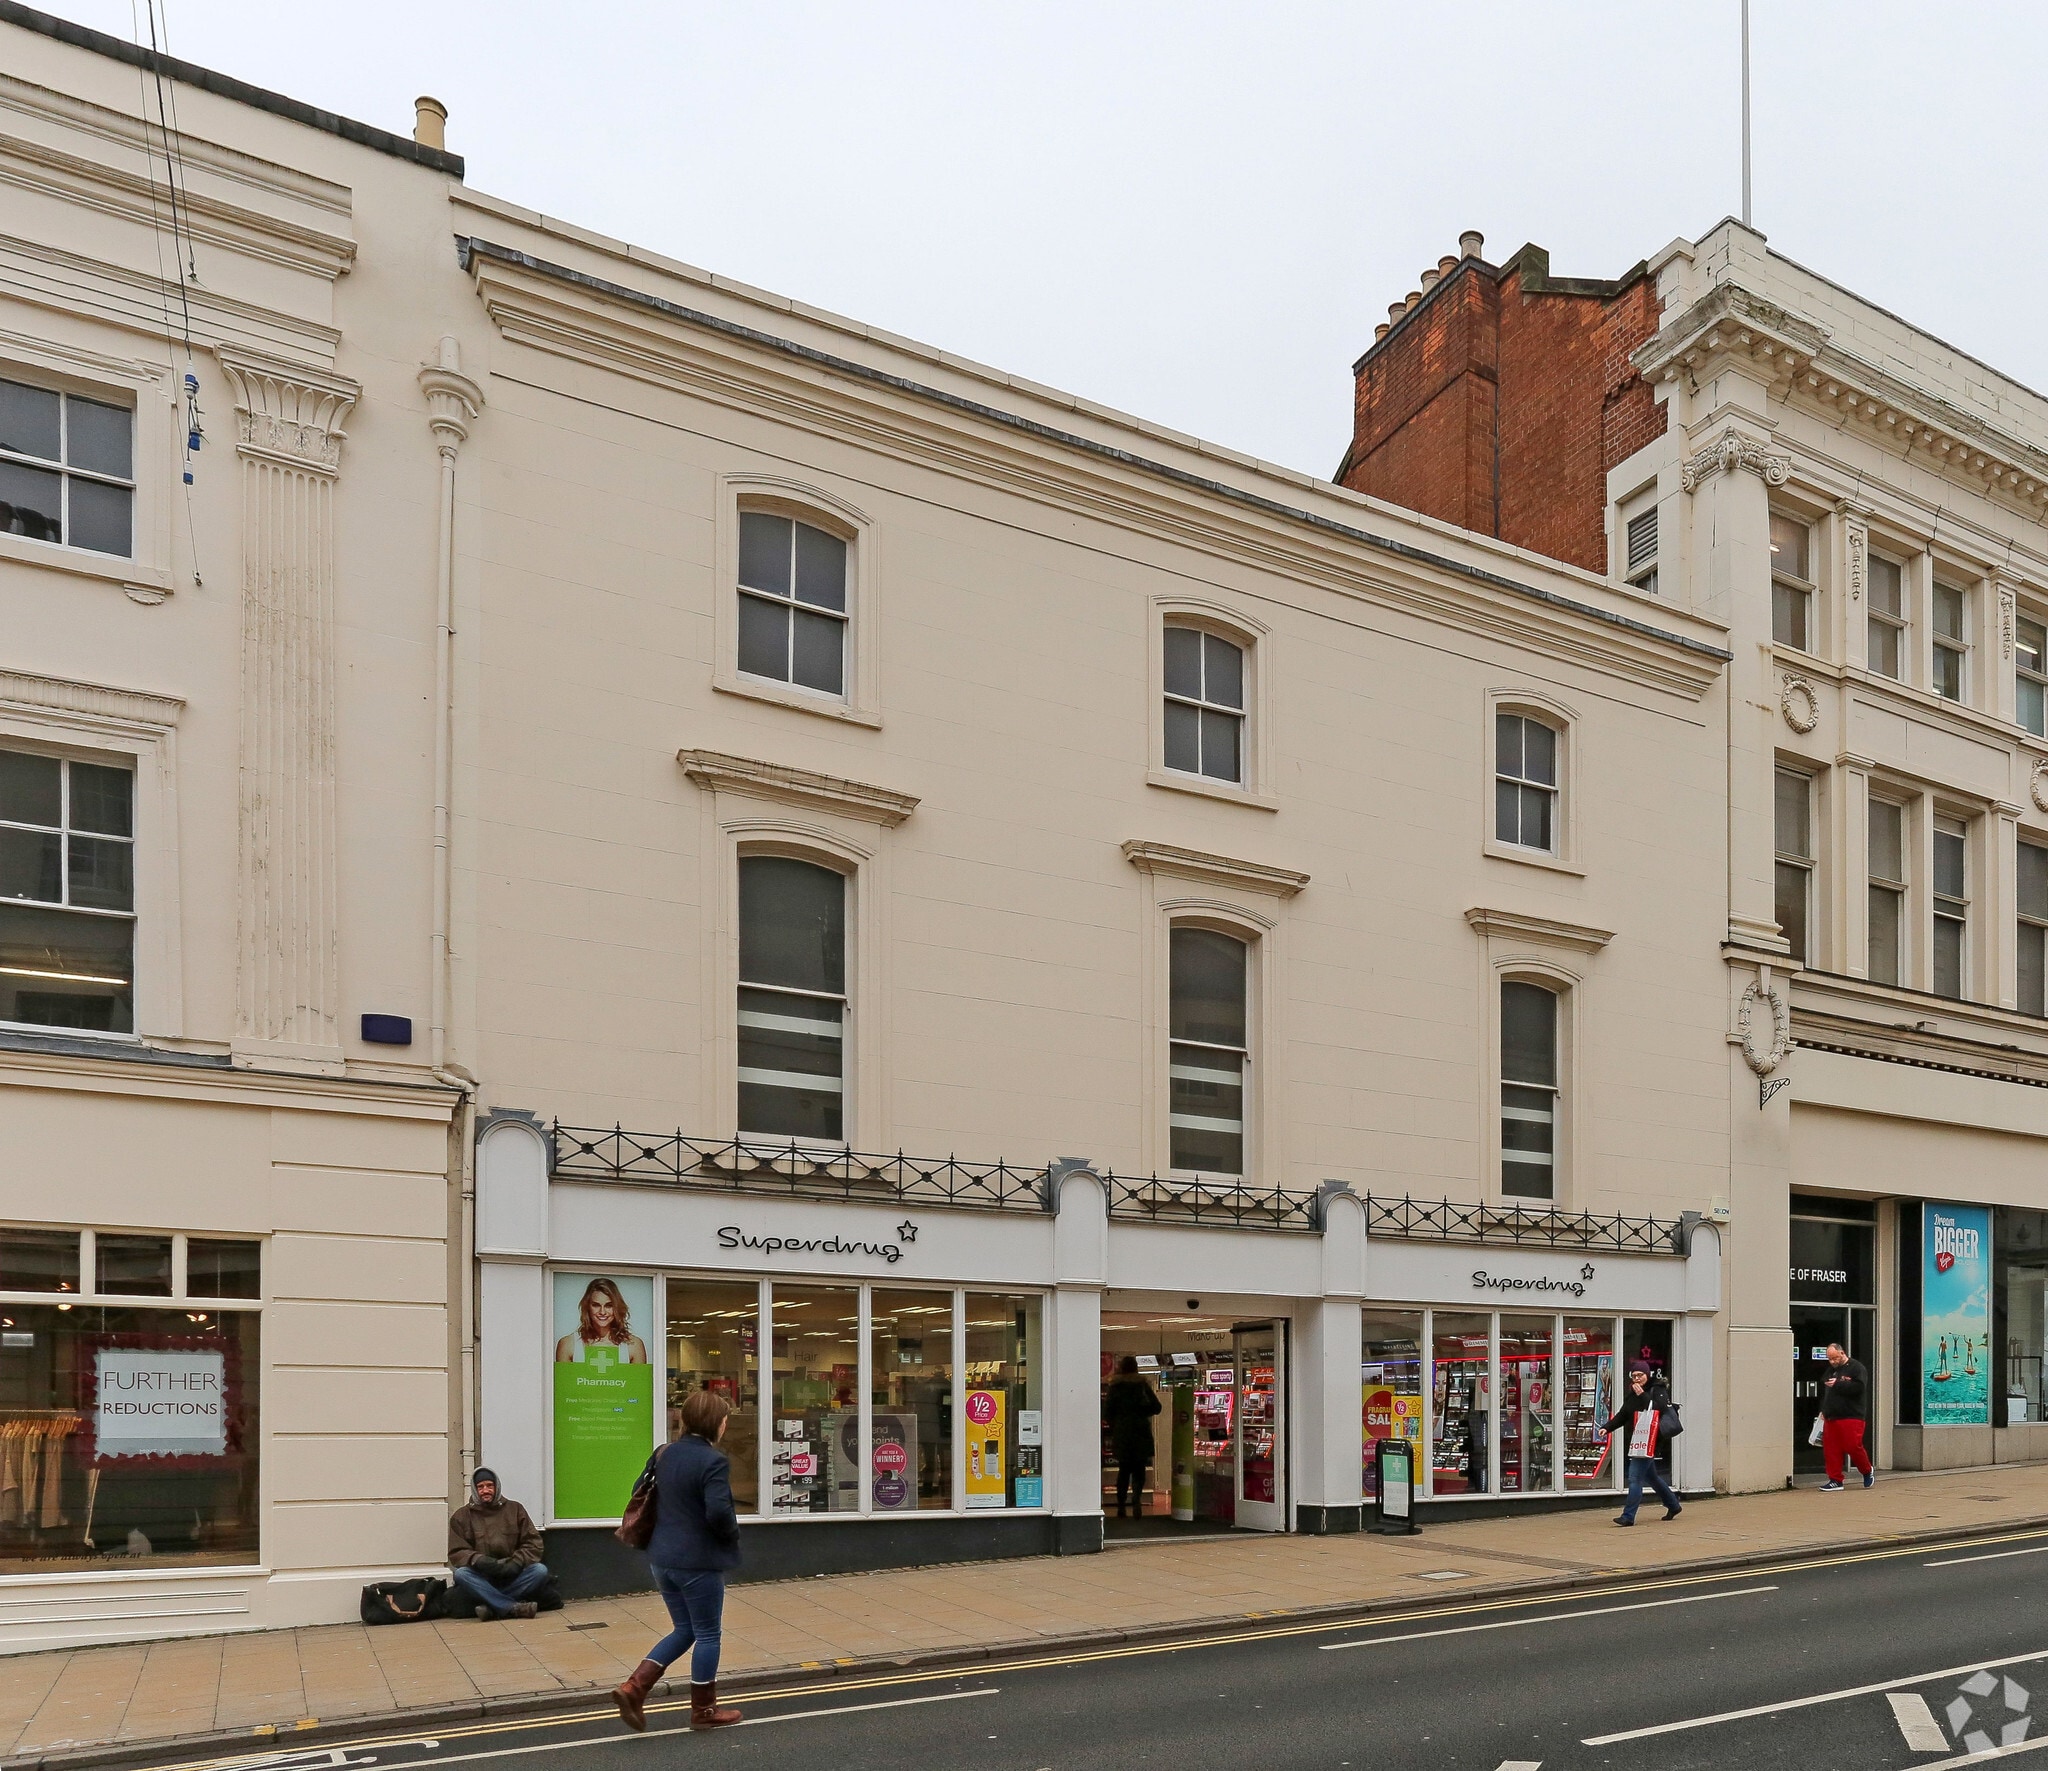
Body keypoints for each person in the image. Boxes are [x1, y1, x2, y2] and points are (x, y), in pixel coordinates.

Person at [612, 1390, 743, 1732]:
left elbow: (638, 1490)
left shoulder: (663, 1453)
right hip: (698, 1562)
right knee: (708, 1634)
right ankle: (704, 1711)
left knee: (685, 1629)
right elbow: (718, 1513)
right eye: (724, 1420)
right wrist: (730, 1535)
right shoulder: (713, 1461)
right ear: (718, 1424)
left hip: (661, 1558)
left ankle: (634, 1688)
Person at [448, 1468, 549, 1619]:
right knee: (462, 1574)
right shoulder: (461, 1517)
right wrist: (479, 1560)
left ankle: (493, 1607)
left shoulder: (515, 1509)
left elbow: (533, 1543)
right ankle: (512, 1607)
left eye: (489, 1485)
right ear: (475, 1489)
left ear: (497, 1487)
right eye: (480, 1487)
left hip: (512, 1573)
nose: (485, 1490)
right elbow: (457, 1552)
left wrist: (516, 1562)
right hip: (482, 1576)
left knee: (539, 1571)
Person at [1605, 1359, 1682, 1526]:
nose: (1637, 1379)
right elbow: (1623, 1415)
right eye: (1634, 1376)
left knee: (1634, 1478)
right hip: (1637, 1440)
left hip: (1651, 1441)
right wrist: (1607, 1428)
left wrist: (1642, 1395)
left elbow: (1657, 1409)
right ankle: (1673, 1505)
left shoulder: (1657, 1389)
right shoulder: (1632, 1394)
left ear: (1647, 1375)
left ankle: (1628, 1516)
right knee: (1652, 1477)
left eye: (1640, 1375)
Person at [1103, 1356, 1162, 1519]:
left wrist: (1116, 1425)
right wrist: (1143, 1413)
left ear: (1121, 1368)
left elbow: (1107, 1412)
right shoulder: (1142, 1385)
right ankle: (1136, 1498)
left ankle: (1121, 1505)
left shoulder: (1115, 1386)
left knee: (1123, 1471)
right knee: (1139, 1470)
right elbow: (1157, 1407)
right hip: (1140, 1432)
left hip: (1122, 1433)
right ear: (1136, 1368)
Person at [1818, 1340, 1875, 1491]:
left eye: (1835, 1358)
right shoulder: (1831, 1370)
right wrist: (1823, 1410)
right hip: (1832, 1415)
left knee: (1852, 1446)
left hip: (1851, 1415)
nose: (1833, 1361)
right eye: (1830, 1359)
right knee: (1831, 1449)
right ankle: (1835, 1479)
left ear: (1842, 1353)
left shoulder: (1857, 1368)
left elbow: (1859, 1388)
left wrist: (1838, 1384)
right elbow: (1825, 1387)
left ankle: (1867, 1470)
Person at [556, 1277, 648, 1364]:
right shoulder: (568, 1345)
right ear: (587, 1307)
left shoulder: (634, 1346)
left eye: (609, 1305)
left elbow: (638, 1380)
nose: (602, 1312)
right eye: (596, 1305)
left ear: (617, 1307)